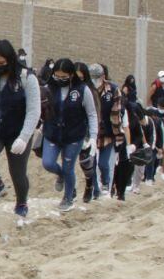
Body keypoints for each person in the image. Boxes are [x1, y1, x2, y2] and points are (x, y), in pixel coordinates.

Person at [0, 40, 39, 221]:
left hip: (17, 131)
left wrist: (24, 137)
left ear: (10, 60)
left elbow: (33, 110)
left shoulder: (27, 78)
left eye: (2, 64)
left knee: (18, 173)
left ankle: (21, 202)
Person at [40, 59, 97, 211]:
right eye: (57, 76)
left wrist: (93, 137)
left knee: (68, 167)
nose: (59, 79)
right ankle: (61, 176)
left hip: (74, 135)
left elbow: (91, 114)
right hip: (52, 133)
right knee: (48, 163)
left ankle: (68, 197)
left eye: (63, 77)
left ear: (71, 75)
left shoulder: (82, 90)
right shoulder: (48, 88)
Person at [92, 63, 122, 199]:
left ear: (103, 76)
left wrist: (118, 136)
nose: (94, 80)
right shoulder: (86, 89)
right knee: (90, 163)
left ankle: (105, 183)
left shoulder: (113, 90)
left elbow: (116, 114)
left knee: (103, 163)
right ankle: (93, 189)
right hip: (91, 132)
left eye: (96, 77)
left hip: (107, 133)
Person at [74, 62, 100, 203]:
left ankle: (91, 186)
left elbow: (95, 114)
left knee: (86, 162)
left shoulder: (90, 91)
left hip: (86, 132)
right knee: (68, 161)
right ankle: (70, 191)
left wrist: (92, 136)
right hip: (70, 130)